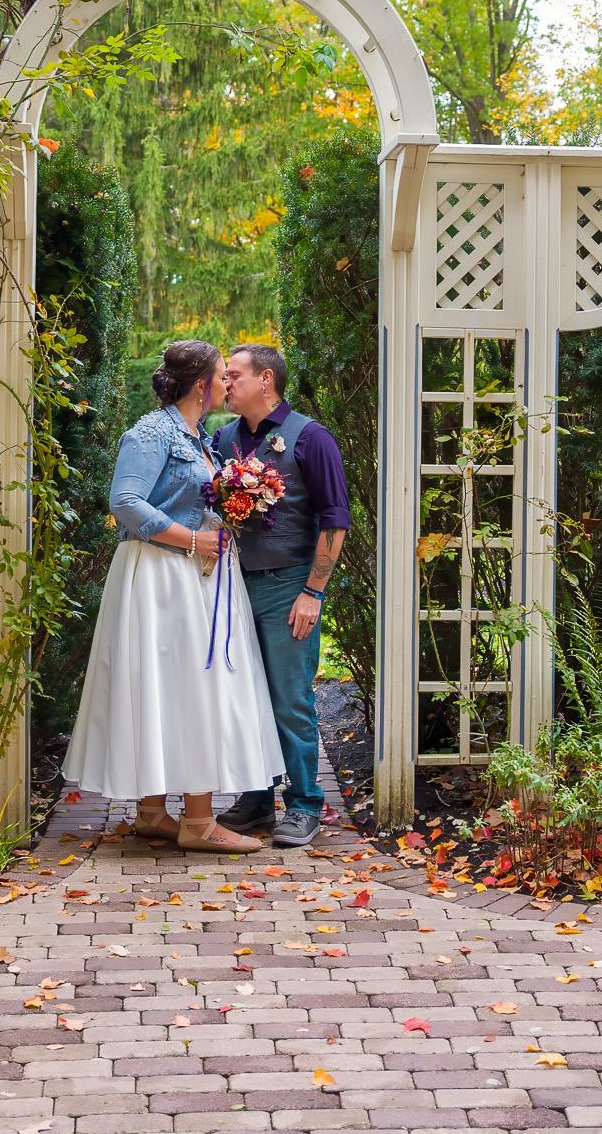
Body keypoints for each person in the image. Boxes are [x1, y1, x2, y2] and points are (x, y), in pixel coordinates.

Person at [62, 339, 285, 852]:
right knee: (186, 685)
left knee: (176, 686)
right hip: (160, 577)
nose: (228, 383)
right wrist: (193, 540)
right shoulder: (150, 432)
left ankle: (153, 814)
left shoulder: (201, 437)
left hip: (194, 578)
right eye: (222, 375)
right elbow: (124, 501)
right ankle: (199, 823)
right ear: (202, 384)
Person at [212, 343, 350, 848]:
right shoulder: (223, 439)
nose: (225, 383)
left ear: (265, 380)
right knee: (242, 696)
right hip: (231, 587)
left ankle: (305, 803)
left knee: (289, 699)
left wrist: (313, 591)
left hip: (288, 586)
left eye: (234, 374)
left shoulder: (311, 438)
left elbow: (335, 519)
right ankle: (254, 799)